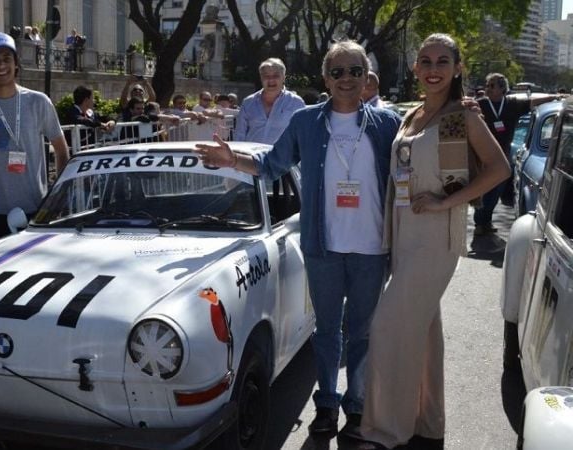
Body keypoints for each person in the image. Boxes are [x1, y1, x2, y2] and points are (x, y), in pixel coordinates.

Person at [195, 40, 402, 441]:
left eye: (355, 71)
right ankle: (326, 403)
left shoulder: (387, 124)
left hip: (372, 249)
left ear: (366, 78)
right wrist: (232, 159)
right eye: (338, 72)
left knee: (362, 333)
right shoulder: (307, 122)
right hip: (322, 247)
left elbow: (416, 159)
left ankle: (356, 407)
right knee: (326, 332)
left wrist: (457, 110)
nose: (346, 79)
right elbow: (272, 165)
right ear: (326, 78)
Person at [359, 34, 510, 450]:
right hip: (404, 234)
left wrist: (449, 201)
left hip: (434, 238)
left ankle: (385, 431)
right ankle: (428, 422)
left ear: (458, 68)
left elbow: (499, 168)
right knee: (423, 330)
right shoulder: (412, 116)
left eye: (443, 61)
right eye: (425, 60)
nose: (433, 68)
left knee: (387, 327)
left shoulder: (462, 115)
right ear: (415, 69)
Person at [0, 32, 69, 244]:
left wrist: (58, 198)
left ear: (16, 63)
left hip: (36, 209)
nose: (1, 65)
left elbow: (61, 149)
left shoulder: (39, 102)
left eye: (6, 58)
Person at [474, 72, 561, 232]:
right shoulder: (480, 104)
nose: (488, 88)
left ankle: (485, 221)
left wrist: (554, 96)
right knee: (483, 190)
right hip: (482, 156)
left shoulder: (511, 104)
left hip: (503, 156)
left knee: (497, 190)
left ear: (502, 88)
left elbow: (531, 102)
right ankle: (480, 222)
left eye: (492, 85)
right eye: (487, 85)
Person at [234, 57, 306, 144]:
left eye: (276, 76)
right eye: (266, 76)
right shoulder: (248, 103)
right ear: (261, 78)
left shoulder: (296, 103)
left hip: (283, 156)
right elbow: (239, 135)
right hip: (251, 156)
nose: (271, 80)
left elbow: (303, 135)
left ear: (283, 78)